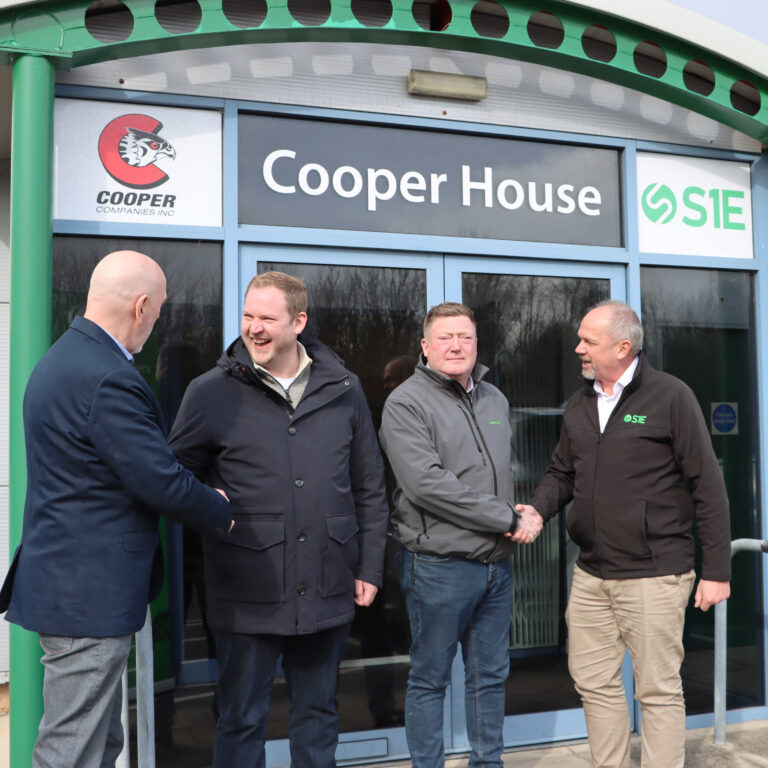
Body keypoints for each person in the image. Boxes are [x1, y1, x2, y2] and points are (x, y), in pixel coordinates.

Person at [0, 250, 233, 768]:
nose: (156, 322)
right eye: (159, 311)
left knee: (99, 743)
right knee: (73, 748)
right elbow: (158, 479)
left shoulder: (63, 358)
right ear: (142, 306)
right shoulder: (106, 376)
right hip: (88, 593)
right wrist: (217, 508)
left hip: (71, 584)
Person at [168, 270, 389, 768]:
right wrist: (210, 502)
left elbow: (369, 486)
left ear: (299, 322)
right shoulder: (210, 391)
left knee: (318, 715)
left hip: (327, 578)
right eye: (248, 316)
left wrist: (370, 565)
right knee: (241, 719)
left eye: (268, 317)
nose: (255, 328)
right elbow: (173, 476)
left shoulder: (344, 388)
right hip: (247, 584)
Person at [516, 299, 731, 768]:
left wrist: (717, 570)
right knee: (595, 684)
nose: (578, 349)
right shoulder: (580, 403)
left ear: (623, 346)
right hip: (591, 575)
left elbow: (707, 487)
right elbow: (561, 474)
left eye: (588, 341)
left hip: (654, 574)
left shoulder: (670, 398)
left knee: (656, 690)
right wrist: (537, 511)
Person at [378, 301, 541, 768]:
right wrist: (508, 518)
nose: (456, 345)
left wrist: (519, 510)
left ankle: (488, 763)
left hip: (496, 566)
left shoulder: (494, 398)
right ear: (425, 347)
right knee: (430, 679)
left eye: (465, 337)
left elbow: (495, 474)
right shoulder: (406, 402)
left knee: (489, 677)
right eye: (445, 337)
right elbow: (427, 484)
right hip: (439, 567)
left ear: (476, 344)